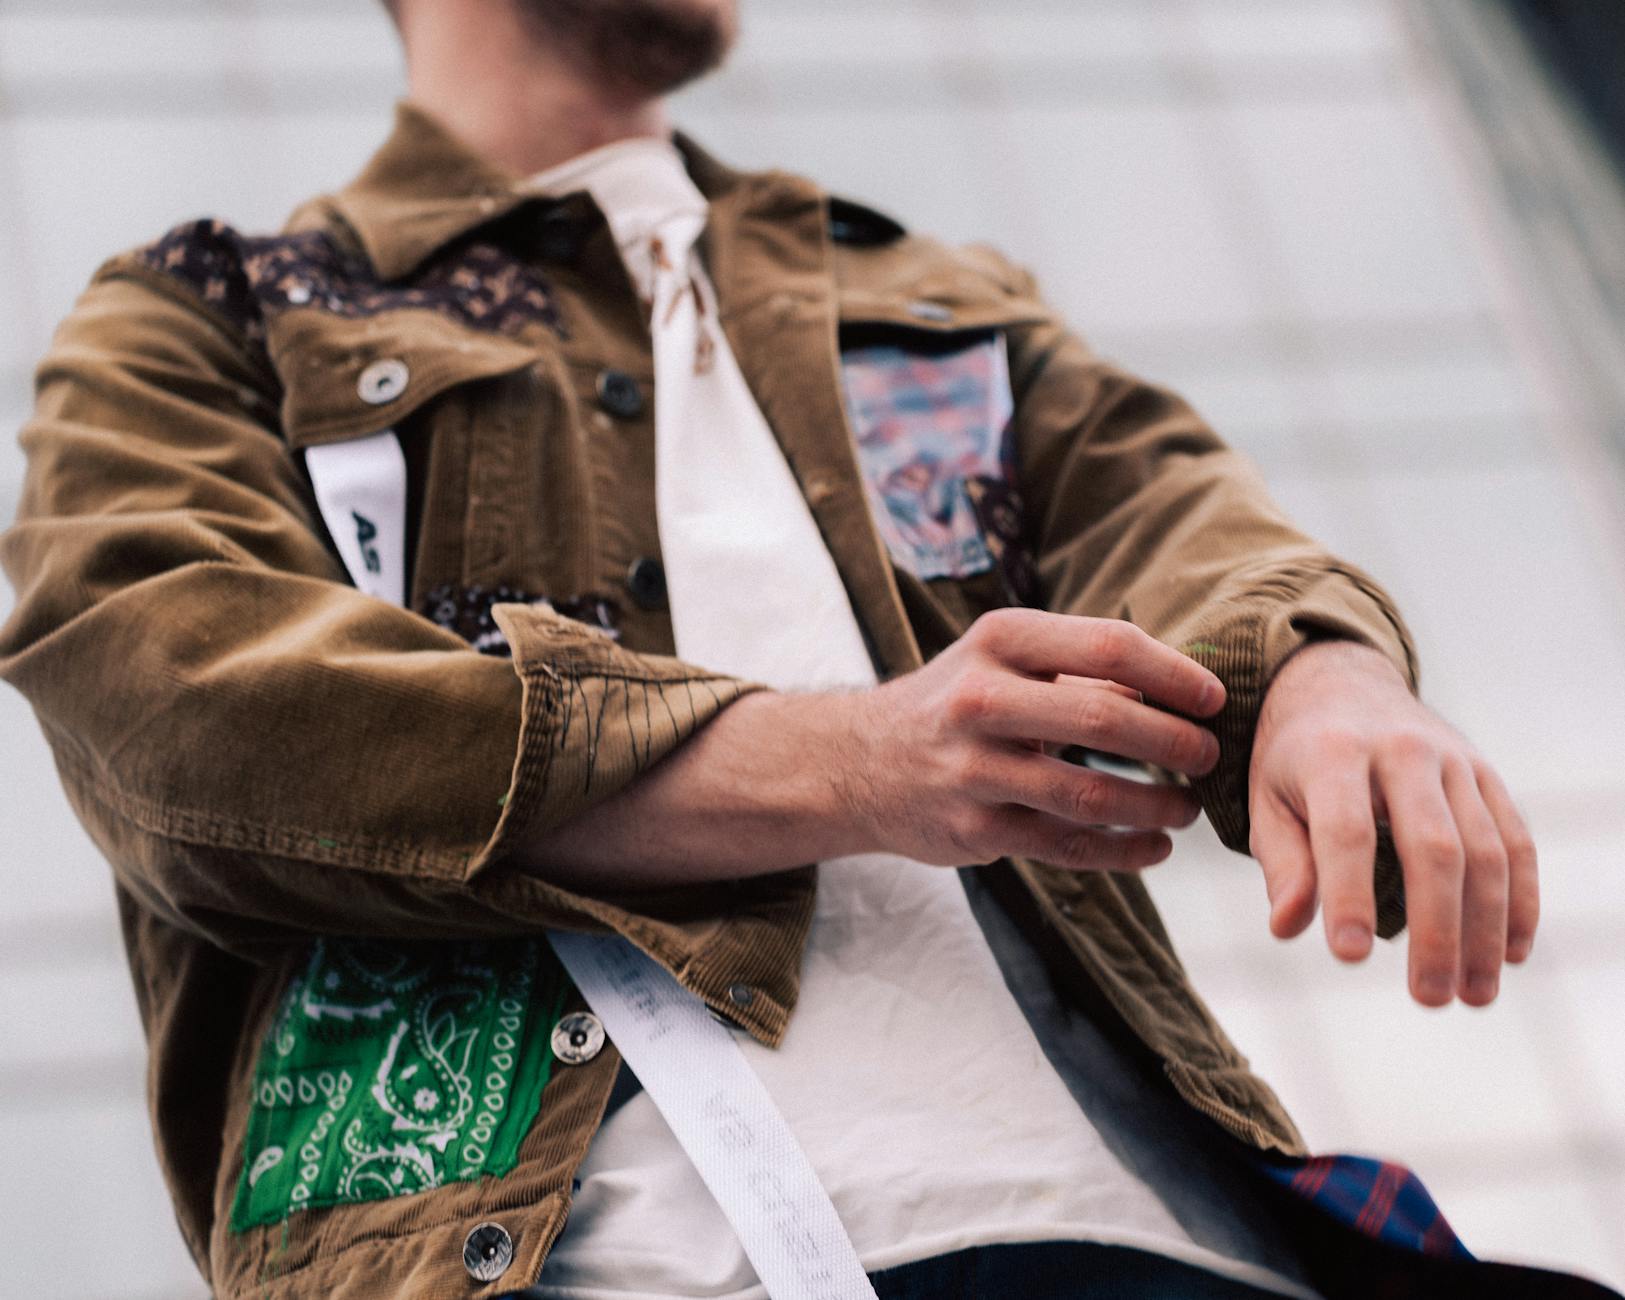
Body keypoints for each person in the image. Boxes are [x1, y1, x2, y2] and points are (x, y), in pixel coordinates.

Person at [0, 2, 1611, 1298]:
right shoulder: (213, 313)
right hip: (595, 1255)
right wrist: (862, 763)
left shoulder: (925, 296)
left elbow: (1173, 507)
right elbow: (185, 713)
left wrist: (1323, 671)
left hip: (1150, 1233)